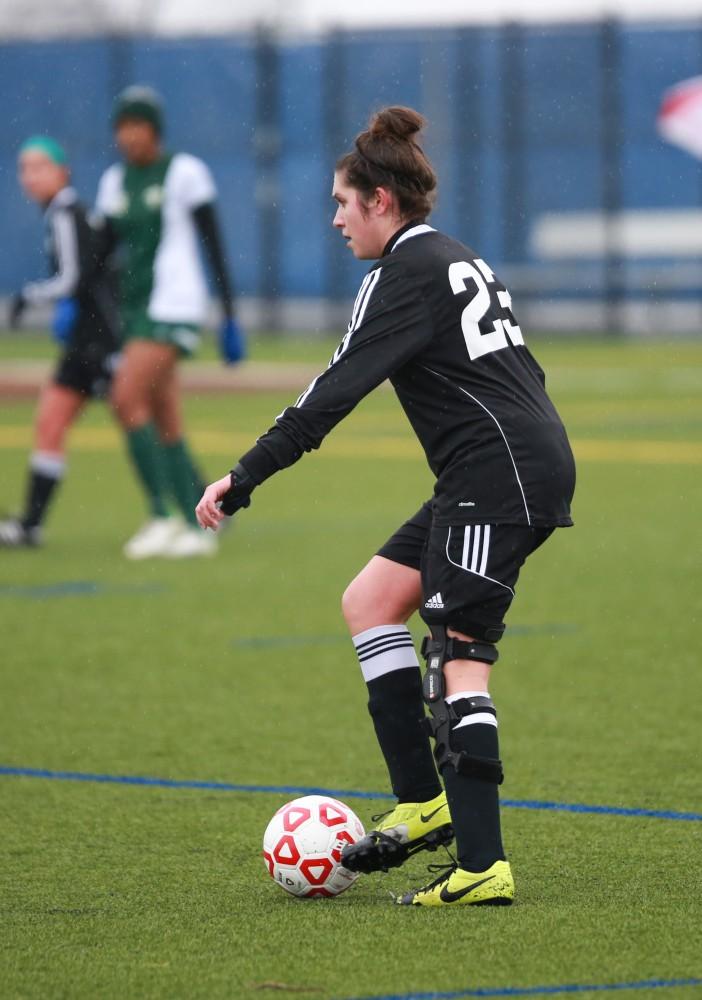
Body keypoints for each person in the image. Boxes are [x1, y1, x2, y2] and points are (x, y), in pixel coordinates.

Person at [196, 106, 576, 907]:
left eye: (342, 202)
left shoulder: (402, 273)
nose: (336, 219)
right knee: (370, 601)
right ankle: (423, 799)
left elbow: (331, 391)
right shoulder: (451, 258)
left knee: (458, 655)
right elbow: (523, 376)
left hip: (497, 475)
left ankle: (482, 866)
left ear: (380, 200)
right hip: (498, 468)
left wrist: (245, 474)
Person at [93, 85, 245, 560]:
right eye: (121, 128)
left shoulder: (184, 172)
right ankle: (198, 524)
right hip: (136, 311)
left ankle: (163, 513)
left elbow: (213, 241)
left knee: (124, 398)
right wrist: (79, 303)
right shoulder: (114, 182)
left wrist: (228, 314)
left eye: (135, 127)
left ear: (153, 129)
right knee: (164, 418)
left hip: (175, 305)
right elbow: (100, 253)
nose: (127, 137)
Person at [1, 136, 120, 548]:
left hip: (97, 343)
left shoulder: (66, 212)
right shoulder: (69, 212)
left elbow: (74, 278)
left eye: (39, 167)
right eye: (24, 168)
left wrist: (26, 297)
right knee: (52, 421)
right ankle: (30, 525)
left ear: (62, 171)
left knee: (143, 420)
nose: (30, 177)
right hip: (90, 342)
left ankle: (198, 503)